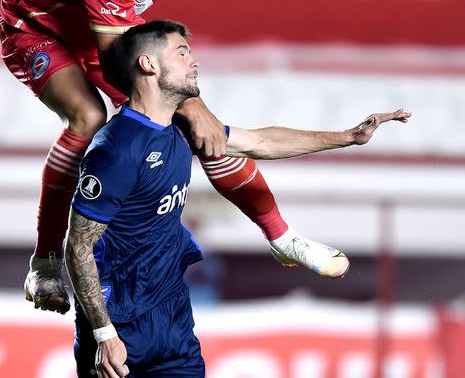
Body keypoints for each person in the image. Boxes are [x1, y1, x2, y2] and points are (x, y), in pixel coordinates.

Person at [0, 0, 343, 315]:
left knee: (189, 125)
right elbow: (122, 57)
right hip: (39, 29)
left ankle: (281, 238)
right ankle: (44, 262)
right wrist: (192, 105)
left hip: (102, 29)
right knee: (90, 117)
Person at [65, 20, 411, 378]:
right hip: (119, 323)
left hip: (172, 317)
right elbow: (77, 247)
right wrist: (104, 334)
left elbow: (262, 142)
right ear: (149, 65)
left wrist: (348, 137)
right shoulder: (117, 150)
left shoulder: (181, 131)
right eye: (182, 53)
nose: (194, 62)